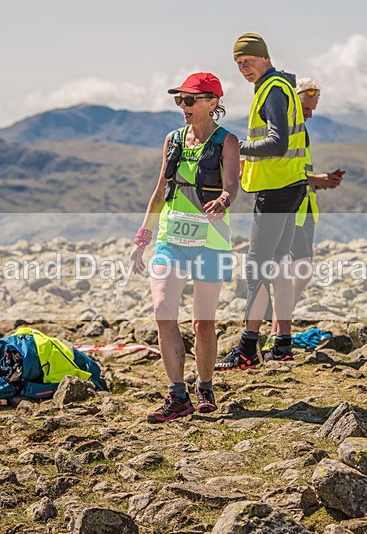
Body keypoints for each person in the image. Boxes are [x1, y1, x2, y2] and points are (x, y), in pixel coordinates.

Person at [129, 72, 240, 423]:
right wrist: (142, 240)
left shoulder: (227, 141)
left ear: (212, 103)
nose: (183, 105)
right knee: (163, 312)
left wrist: (224, 199)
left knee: (203, 324)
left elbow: (232, 184)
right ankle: (177, 395)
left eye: (190, 100)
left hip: (211, 242)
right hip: (171, 240)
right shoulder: (173, 139)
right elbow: (160, 191)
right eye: (180, 100)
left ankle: (205, 386)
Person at [215, 33, 307, 371]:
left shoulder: (272, 90)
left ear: (265, 57)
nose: (244, 67)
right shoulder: (279, 86)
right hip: (290, 185)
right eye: (239, 63)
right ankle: (282, 344)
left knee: (256, 268)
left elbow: (277, 143)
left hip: (276, 189)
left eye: (248, 60)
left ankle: (246, 349)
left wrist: (236, 147)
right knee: (277, 265)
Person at [264, 77, 344, 351]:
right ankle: (277, 330)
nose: (309, 114)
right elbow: (280, 168)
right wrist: (316, 179)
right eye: (306, 108)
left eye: (312, 109)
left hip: (305, 208)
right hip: (291, 208)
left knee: (300, 271)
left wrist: (320, 182)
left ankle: (277, 328)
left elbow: (298, 169)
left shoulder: (300, 129)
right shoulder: (285, 127)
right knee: (295, 271)